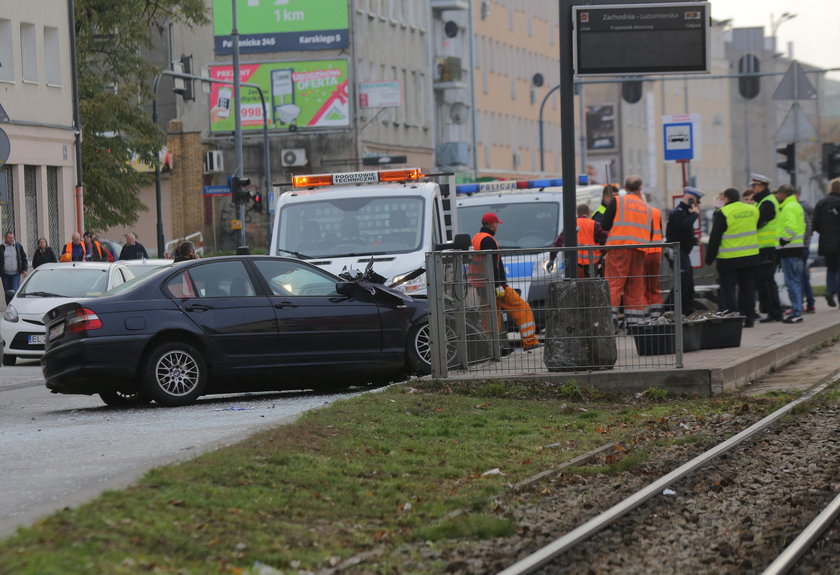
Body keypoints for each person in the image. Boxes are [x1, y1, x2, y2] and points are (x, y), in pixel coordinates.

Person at [467, 212, 541, 351]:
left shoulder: (476, 238)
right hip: (494, 286)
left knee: (490, 318)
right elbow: (492, 265)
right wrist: (498, 285)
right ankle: (530, 342)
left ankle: (491, 349)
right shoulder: (488, 240)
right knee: (523, 308)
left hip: (482, 285)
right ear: (492, 224)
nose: (497, 226)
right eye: (497, 224)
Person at [601, 175, 654, 328]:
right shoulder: (647, 207)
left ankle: (609, 323)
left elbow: (604, 225)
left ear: (625, 188)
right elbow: (648, 234)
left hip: (618, 247)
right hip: (639, 250)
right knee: (635, 286)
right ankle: (635, 324)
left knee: (614, 284)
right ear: (640, 189)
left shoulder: (618, 201)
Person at [704, 188, 759, 327]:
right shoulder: (753, 210)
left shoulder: (723, 212)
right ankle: (749, 318)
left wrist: (709, 258)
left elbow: (715, 238)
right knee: (748, 289)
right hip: (750, 256)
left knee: (728, 290)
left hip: (728, 259)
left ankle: (733, 319)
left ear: (726, 199)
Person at [665, 187, 703, 316]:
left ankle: (687, 309)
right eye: (697, 201)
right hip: (676, 251)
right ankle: (667, 309)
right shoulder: (677, 212)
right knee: (682, 281)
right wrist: (695, 213)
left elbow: (682, 233)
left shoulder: (685, 212)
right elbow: (685, 225)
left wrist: (692, 240)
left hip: (683, 252)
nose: (698, 205)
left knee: (688, 282)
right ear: (691, 199)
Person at [751, 174, 783, 323]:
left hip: (767, 247)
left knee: (768, 281)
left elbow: (757, 222)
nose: (752, 189)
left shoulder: (767, 202)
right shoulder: (762, 201)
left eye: (754, 186)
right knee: (765, 281)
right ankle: (772, 311)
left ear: (762, 186)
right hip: (764, 247)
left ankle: (775, 312)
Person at [545, 203, 608, 277]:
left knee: (577, 284)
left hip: (575, 263)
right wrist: (603, 255)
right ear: (589, 213)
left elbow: (559, 241)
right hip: (592, 264)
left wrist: (552, 258)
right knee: (590, 286)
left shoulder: (571, 224)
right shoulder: (595, 225)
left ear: (577, 213)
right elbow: (605, 240)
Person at [774, 184, 806, 323]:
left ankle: (797, 311)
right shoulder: (794, 205)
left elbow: (791, 227)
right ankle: (797, 309)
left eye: (778, 193)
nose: (776, 196)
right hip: (795, 248)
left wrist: (782, 240)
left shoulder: (789, 207)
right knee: (796, 280)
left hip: (789, 248)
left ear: (783, 194)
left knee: (792, 281)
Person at [813, 177, 840, 309]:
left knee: (831, 268)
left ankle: (829, 290)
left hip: (826, 242)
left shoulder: (821, 203)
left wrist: (824, 232)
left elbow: (815, 223)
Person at [794, 190, 816, 314]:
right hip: (804, 245)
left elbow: (807, 227)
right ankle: (810, 302)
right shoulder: (807, 208)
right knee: (804, 276)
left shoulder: (799, 208)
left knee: (799, 276)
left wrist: (801, 240)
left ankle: (801, 303)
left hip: (800, 246)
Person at [642, 202, 664, 317]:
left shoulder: (639, 211)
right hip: (656, 251)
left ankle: (644, 313)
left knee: (640, 284)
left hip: (643, 252)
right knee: (654, 285)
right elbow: (661, 232)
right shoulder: (656, 211)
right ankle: (656, 314)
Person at [0, 231, 29, 303]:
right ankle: (9, 309)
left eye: (12, 237)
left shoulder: (18, 246)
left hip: (15, 274)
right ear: (5, 238)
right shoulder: (2, 247)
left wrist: (24, 269)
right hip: (5, 274)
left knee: (14, 291)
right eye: (9, 238)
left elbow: (24, 258)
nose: (12, 239)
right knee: (7, 293)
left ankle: (14, 308)